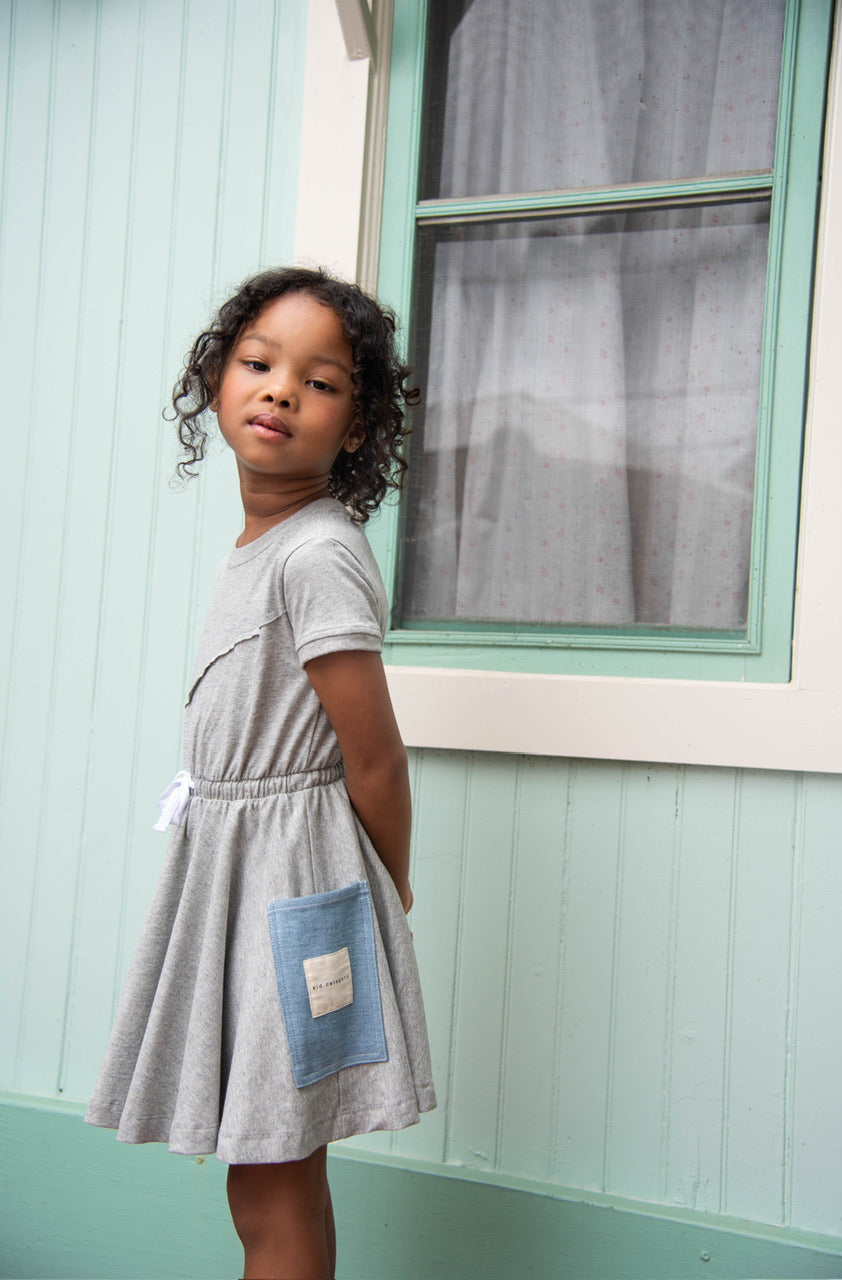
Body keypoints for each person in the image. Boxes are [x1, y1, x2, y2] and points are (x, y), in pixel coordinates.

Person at [86, 266, 436, 1279]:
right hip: (249, 876)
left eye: (320, 381)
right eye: (258, 362)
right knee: (279, 1166)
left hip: (295, 889)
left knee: (269, 1174)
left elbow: (371, 752)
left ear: (360, 428)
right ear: (215, 385)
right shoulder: (265, 542)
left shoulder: (314, 553)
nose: (280, 388)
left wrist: (387, 886)